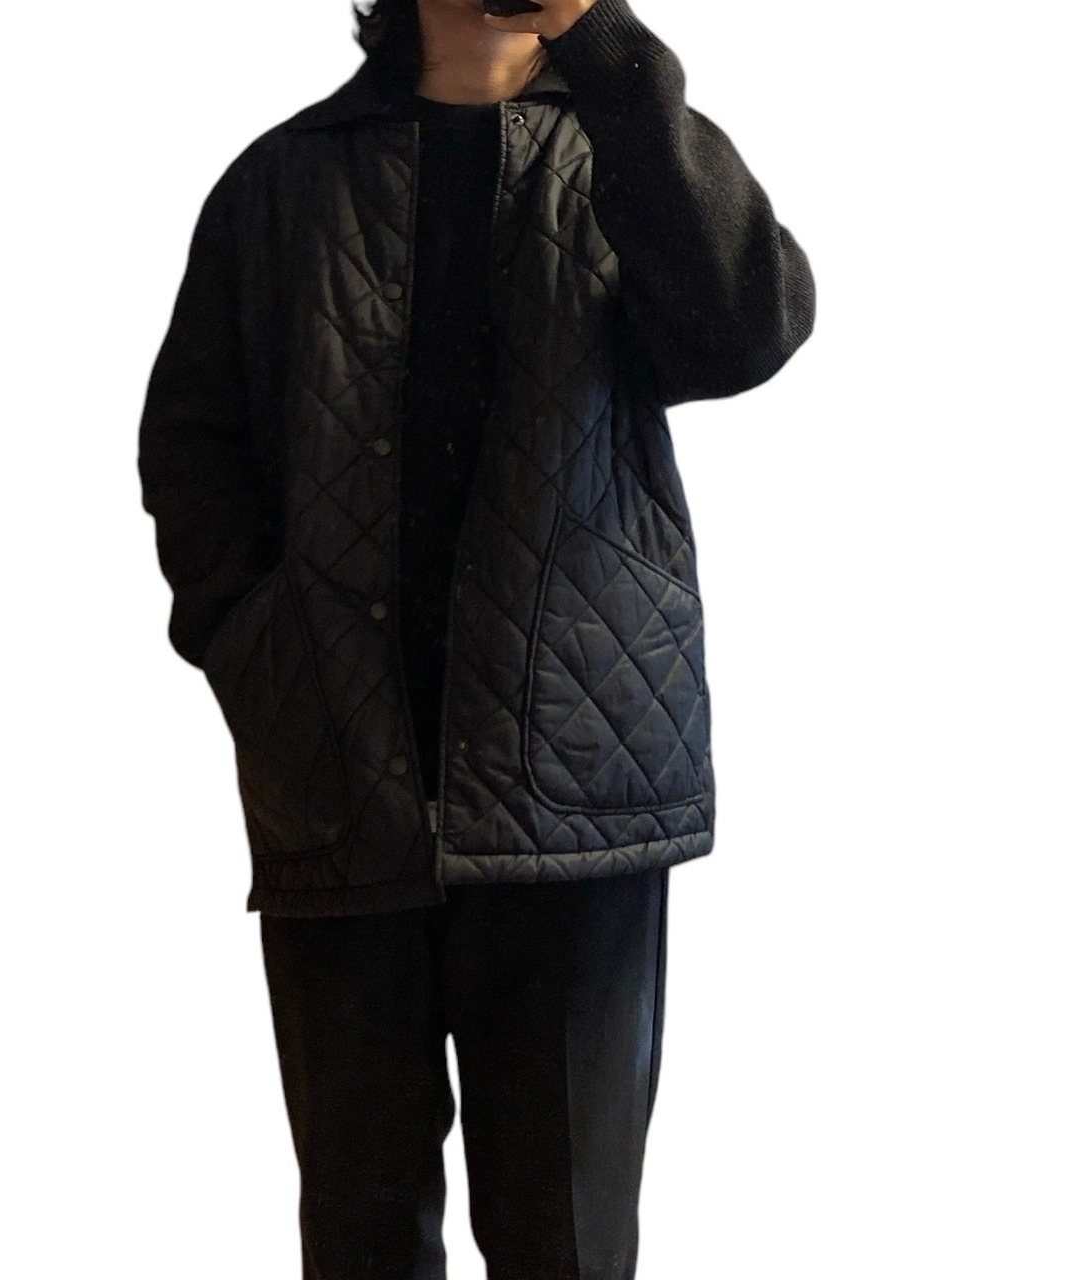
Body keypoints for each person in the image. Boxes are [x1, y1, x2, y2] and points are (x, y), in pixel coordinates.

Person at [137, 0, 815, 1273]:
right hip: (338, 781)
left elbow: (744, 329)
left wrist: (602, 43)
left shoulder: (631, 150)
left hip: (578, 792)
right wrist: (257, 649)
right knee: (360, 1236)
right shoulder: (279, 183)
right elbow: (192, 450)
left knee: (566, 1243)